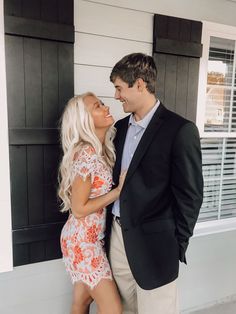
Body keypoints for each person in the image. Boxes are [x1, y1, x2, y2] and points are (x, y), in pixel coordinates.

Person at [106, 53, 204, 314]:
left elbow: (191, 195)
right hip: (117, 239)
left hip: (157, 246)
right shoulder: (120, 128)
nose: (116, 96)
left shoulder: (180, 130)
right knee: (125, 309)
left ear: (139, 84)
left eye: (119, 88)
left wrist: (177, 244)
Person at [58, 92, 125, 314]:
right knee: (113, 308)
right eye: (98, 106)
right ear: (85, 120)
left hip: (86, 238)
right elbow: (78, 209)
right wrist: (117, 192)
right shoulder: (87, 154)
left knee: (82, 301)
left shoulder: (99, 150)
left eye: (103, 103)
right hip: (83, 241)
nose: (106, 107)